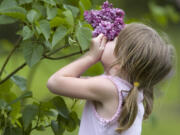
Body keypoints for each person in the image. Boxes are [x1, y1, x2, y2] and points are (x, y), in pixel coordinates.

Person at [46, 23, 176, 135]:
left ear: (121, 62)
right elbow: (72, 80)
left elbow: (55, 82)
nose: (108, 39)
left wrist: (91, 56)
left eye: (114, 41)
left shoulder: (108, 88)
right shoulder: (133, 91)